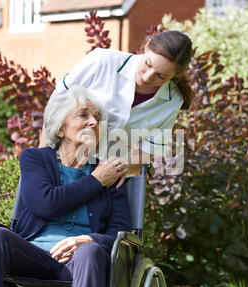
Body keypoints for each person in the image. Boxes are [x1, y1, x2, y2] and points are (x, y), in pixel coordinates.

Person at [0, 85, 131, 287]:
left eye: (97, 118)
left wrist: (90, 240)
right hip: (33, 258)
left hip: (82, 264)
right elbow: (44, 203)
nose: (93, 122)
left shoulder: (110, 174)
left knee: (89, 252)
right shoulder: (35, 159)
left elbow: (121, 236)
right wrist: (96, 181)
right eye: (83, 115)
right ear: (61, 129)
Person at [41, 30, 194, 186]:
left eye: (161, 76)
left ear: (176, 76)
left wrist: (117, 168)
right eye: (148, 64)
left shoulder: (173, 100)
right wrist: (42, 158)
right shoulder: (103, 60)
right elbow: (56, 105)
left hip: (109, 181)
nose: (147, 77)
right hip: (60, 165)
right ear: (147, 47)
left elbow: (150, 149)